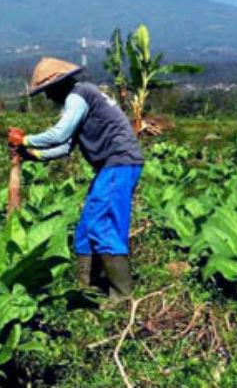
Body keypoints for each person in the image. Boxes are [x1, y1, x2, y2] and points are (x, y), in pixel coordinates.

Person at [8, 57, 144, 302]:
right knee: (86, 227)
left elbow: (59, 135)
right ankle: (88, 290)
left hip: (119, 163)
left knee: (104, 226)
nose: (48, 98)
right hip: (110, 167)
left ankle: (123, 297)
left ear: (59, 85)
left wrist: (25, 140)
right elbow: (65, 147)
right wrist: (32, 155)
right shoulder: (79, 101)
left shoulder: (79, 95)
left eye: (47, 92)